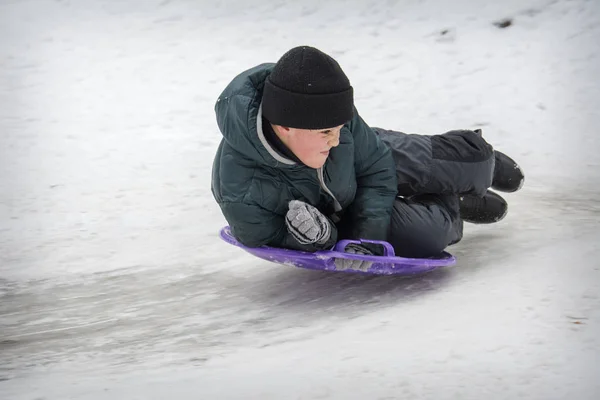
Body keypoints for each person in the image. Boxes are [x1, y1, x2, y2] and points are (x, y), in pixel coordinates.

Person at [211, 46, 524, 270]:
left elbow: (375, 168)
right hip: (337, 214)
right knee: (428, 234)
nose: (335, 139)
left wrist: (368, 233)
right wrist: (319, 238)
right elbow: (274, 240)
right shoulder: (241, 192)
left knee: (463, 163)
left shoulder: (334, 129)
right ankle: (454, 204)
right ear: (285, 127)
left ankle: (485, 165)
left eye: (339, 128)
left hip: (366, 156)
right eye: (325, 132)